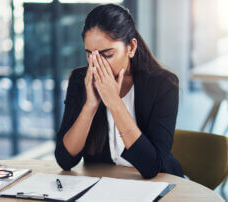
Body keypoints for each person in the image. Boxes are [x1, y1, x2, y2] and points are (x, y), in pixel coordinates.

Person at [55, 4, 183, 179]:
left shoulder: (163, 85)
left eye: (107, 55)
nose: (97, 66)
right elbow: (65, 161)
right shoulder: (80, 80)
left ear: (131, 47)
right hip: (103, 186)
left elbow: (152, 167)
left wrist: (114, 103)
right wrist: (90, 106)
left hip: (157, 184)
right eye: (90, 55)